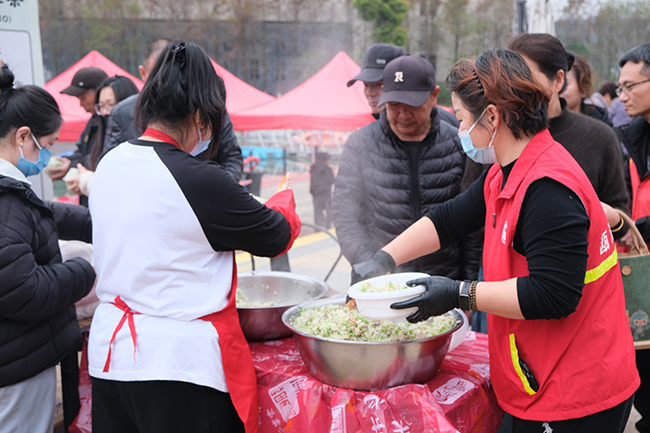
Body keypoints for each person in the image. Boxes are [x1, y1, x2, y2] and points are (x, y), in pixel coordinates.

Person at [352, 48, 639, 433]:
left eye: (461, 118)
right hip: (543, 372)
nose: (460, 131)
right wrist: (383, 259)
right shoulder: (504, 173)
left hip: (577, 390)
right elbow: (449, 219)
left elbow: (553, 294)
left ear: (491, 116)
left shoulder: (548, 188)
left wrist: (458, 293)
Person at [86, 41, 300, 433]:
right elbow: (275, 234)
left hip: (111, 357)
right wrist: (284, 199)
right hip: (177, 365)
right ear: (201, 116)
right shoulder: (198, 179)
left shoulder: (110, 164)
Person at [0, 64, 95, 433]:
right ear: (24, 136)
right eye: (49, 144)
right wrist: (87, 268)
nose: (47, 156)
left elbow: (43, 213)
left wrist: (104, 221)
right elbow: (24, 291)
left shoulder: (12, 193)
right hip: (15, 369)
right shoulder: (6, 198)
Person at [333, 55, 476, 283]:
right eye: (394, 106)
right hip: (382, 283)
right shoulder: (360, 144)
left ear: (434, 96)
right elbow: (346, 216)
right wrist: (370, 263)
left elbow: (473, 226)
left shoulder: (459, 144)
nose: (403, 115)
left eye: (412, 106)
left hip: (445, 282)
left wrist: (468, 286)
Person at [507, 33, 631, 244]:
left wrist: (598, 215)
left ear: (559, 80)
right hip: (504, 263)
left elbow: (620, 217)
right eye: (509, 79)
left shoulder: (599, 137)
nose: (517, 88)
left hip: (581, 260)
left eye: (526, 78)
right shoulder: (499, 135)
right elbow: (474, 222)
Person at [104, 38, 244, 181]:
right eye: (157, 75)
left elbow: (232, 157)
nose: (165, 82)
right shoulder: (122, 113)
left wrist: (220, 187)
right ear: (143, 73)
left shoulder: (207, 106)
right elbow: (113, 169)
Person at [614, 42, 650, 433]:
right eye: (619, 87)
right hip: (641, 277)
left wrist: (640, 226)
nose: (621, 96)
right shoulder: (631, 138)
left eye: (629, 87)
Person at [347, 43, 459, 127]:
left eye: (379, 84)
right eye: (366, 85)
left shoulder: (451, 127)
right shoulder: (367, 134)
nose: (370, 93)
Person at [65, 75, 139, 198]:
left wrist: (87, 181)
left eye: (111, 104)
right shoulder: (98, 125)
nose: (104, 112)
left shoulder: (135, 139)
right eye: (101, 106)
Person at [48, 67, 108, 187]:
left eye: (83, 98)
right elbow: (81, 151)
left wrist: (72, 165)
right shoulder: (93, 121)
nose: (81, 104)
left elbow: (104, 158)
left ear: (100, 92)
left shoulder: (114, 123)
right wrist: (65, 161)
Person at [560, 52, 612, 125]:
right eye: (554, 82)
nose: (558, 89)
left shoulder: (600, 124)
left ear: (583, 88)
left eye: (565, 84)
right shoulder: (545, 123)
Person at [309, 151, 335, 228]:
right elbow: (332, 180)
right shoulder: (328, 169)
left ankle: (318, 227)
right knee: (328, 210)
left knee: (317, 211)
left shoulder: (313, 168)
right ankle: (328, 226)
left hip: (316, 193)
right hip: (326, 193)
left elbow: (312, 180)